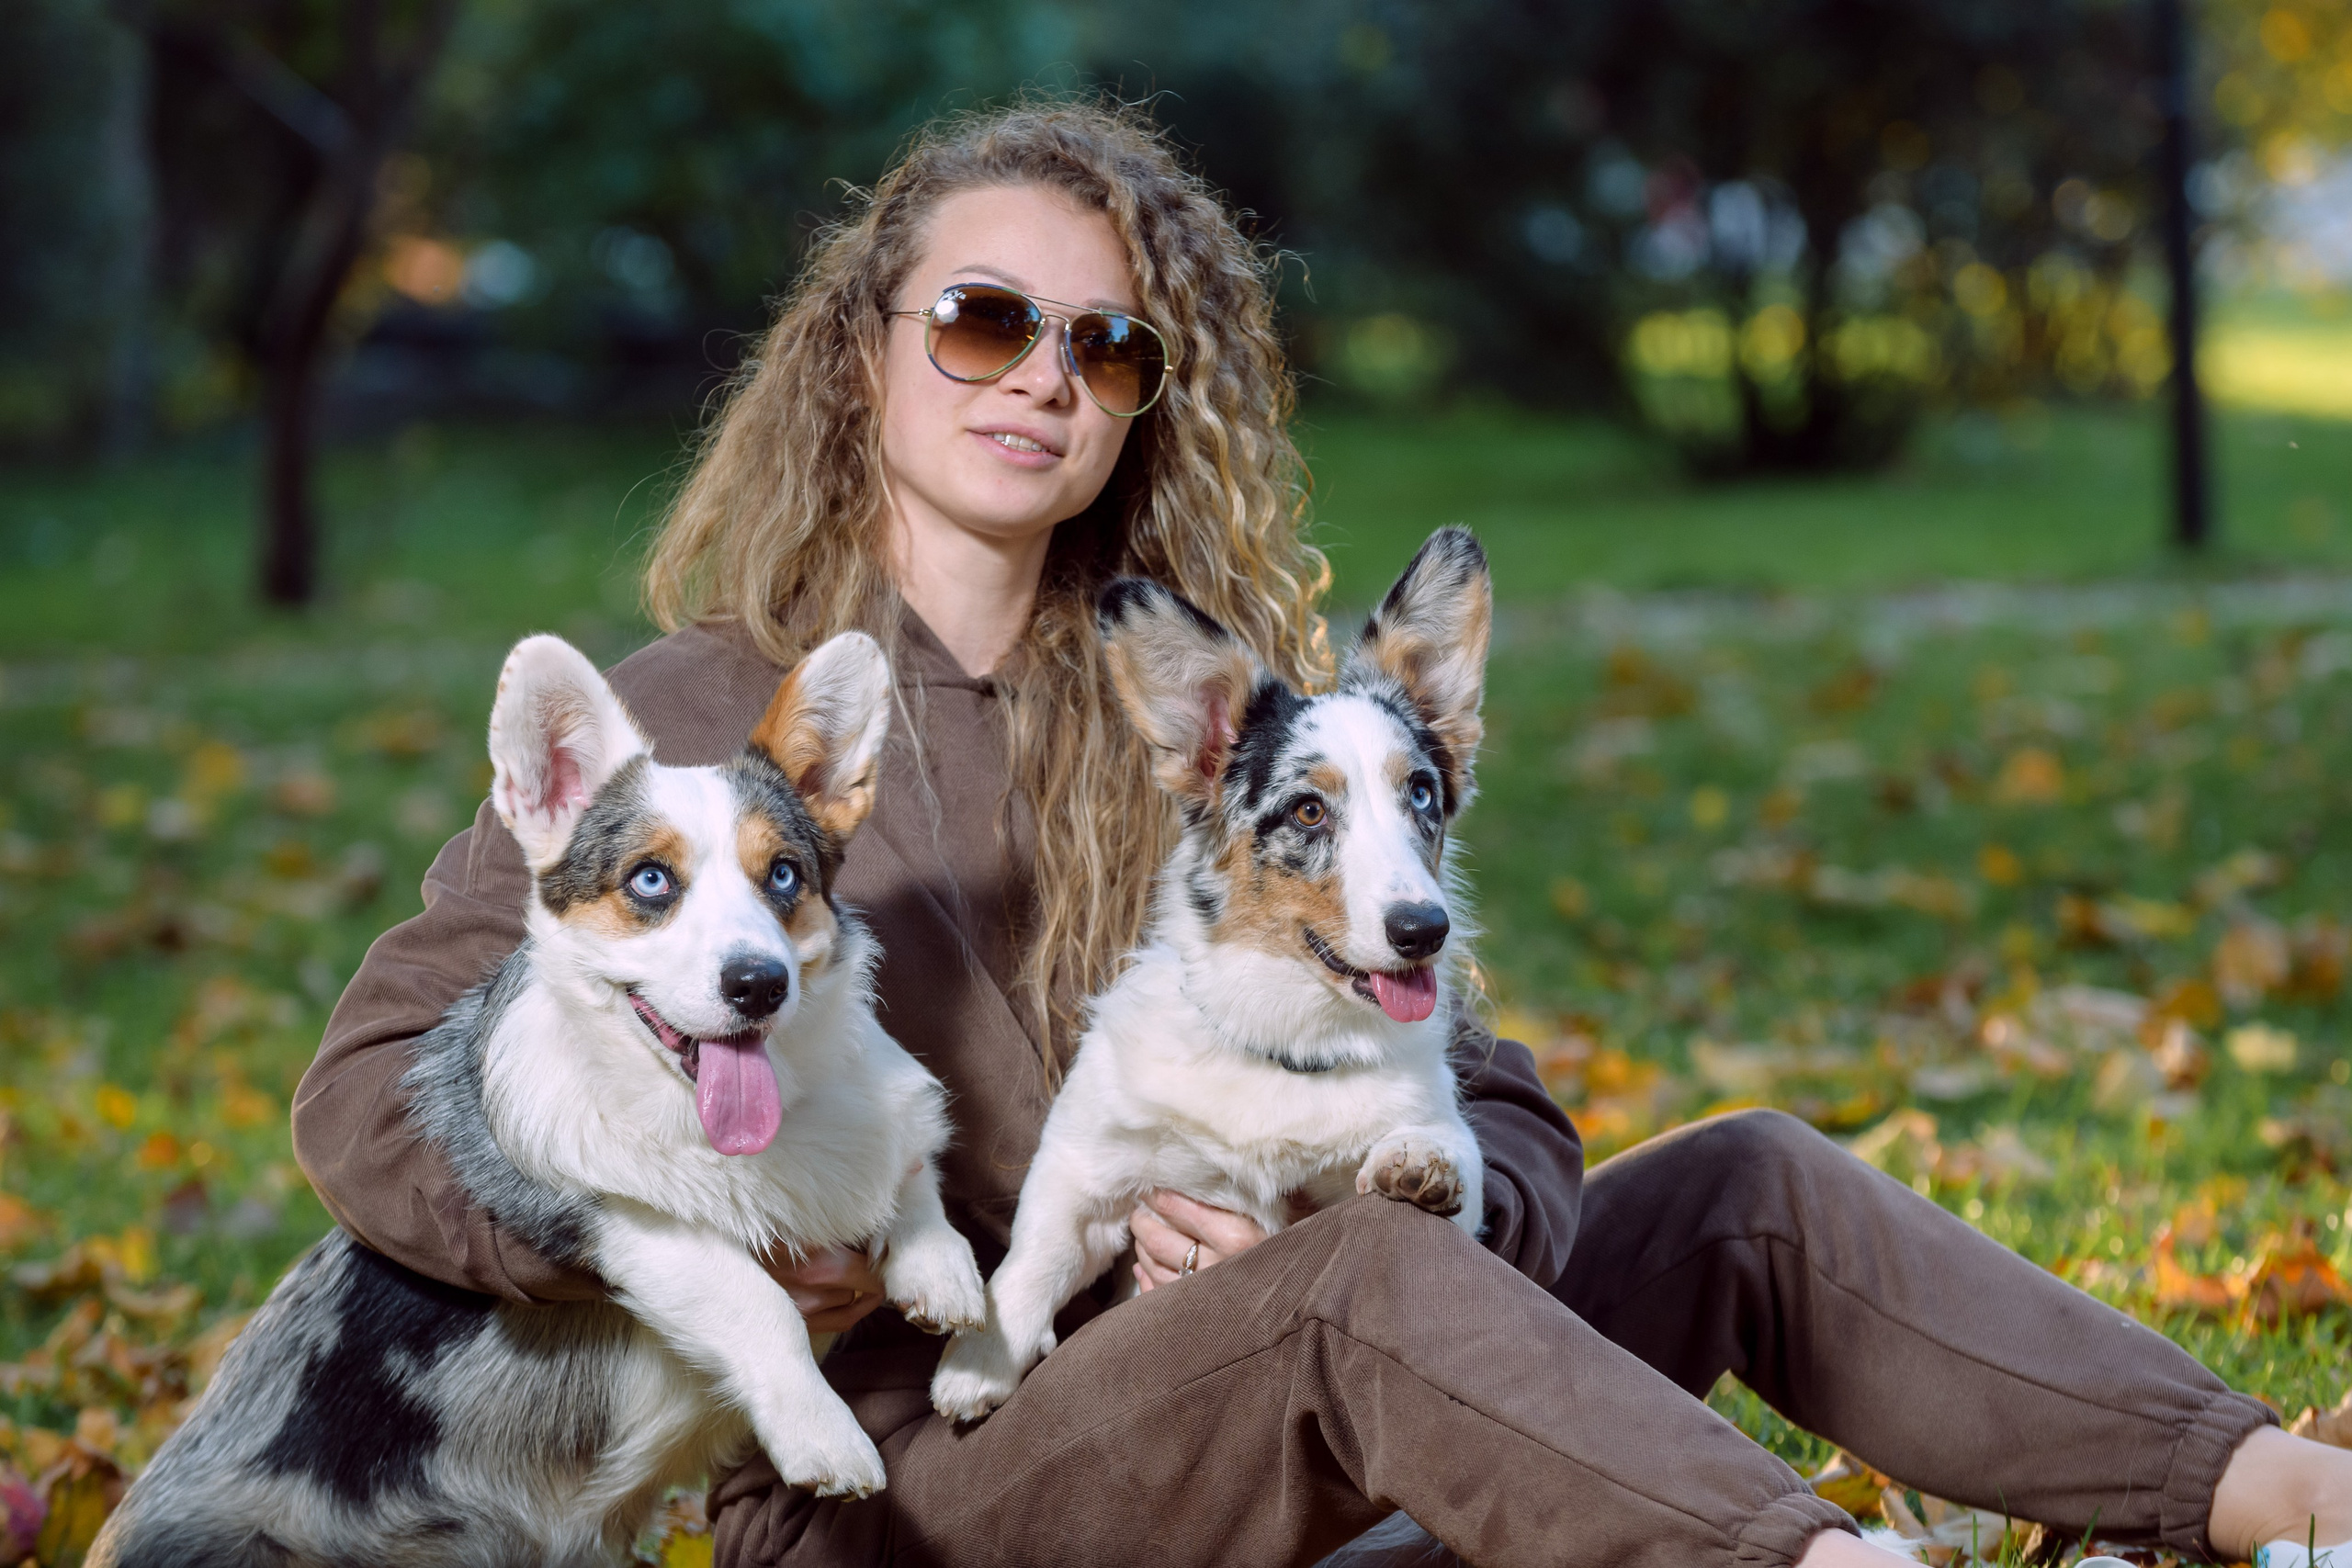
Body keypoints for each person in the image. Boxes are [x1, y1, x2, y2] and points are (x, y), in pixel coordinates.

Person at [291, 100, 2351, 1568]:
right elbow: (372, 1101)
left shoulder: (1234, 723)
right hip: (914, 1481)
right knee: (1351, 1289)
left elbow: (1499, 1110)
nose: (1044, 382)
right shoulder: (685, 741)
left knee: (1739, 1185)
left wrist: (1412, 1199)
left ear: (1142, 402)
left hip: (1297, 1378)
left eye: (1105, 347)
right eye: (983, 321)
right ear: (864, 353)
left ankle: (2285, 1495)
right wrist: (748, 1245)